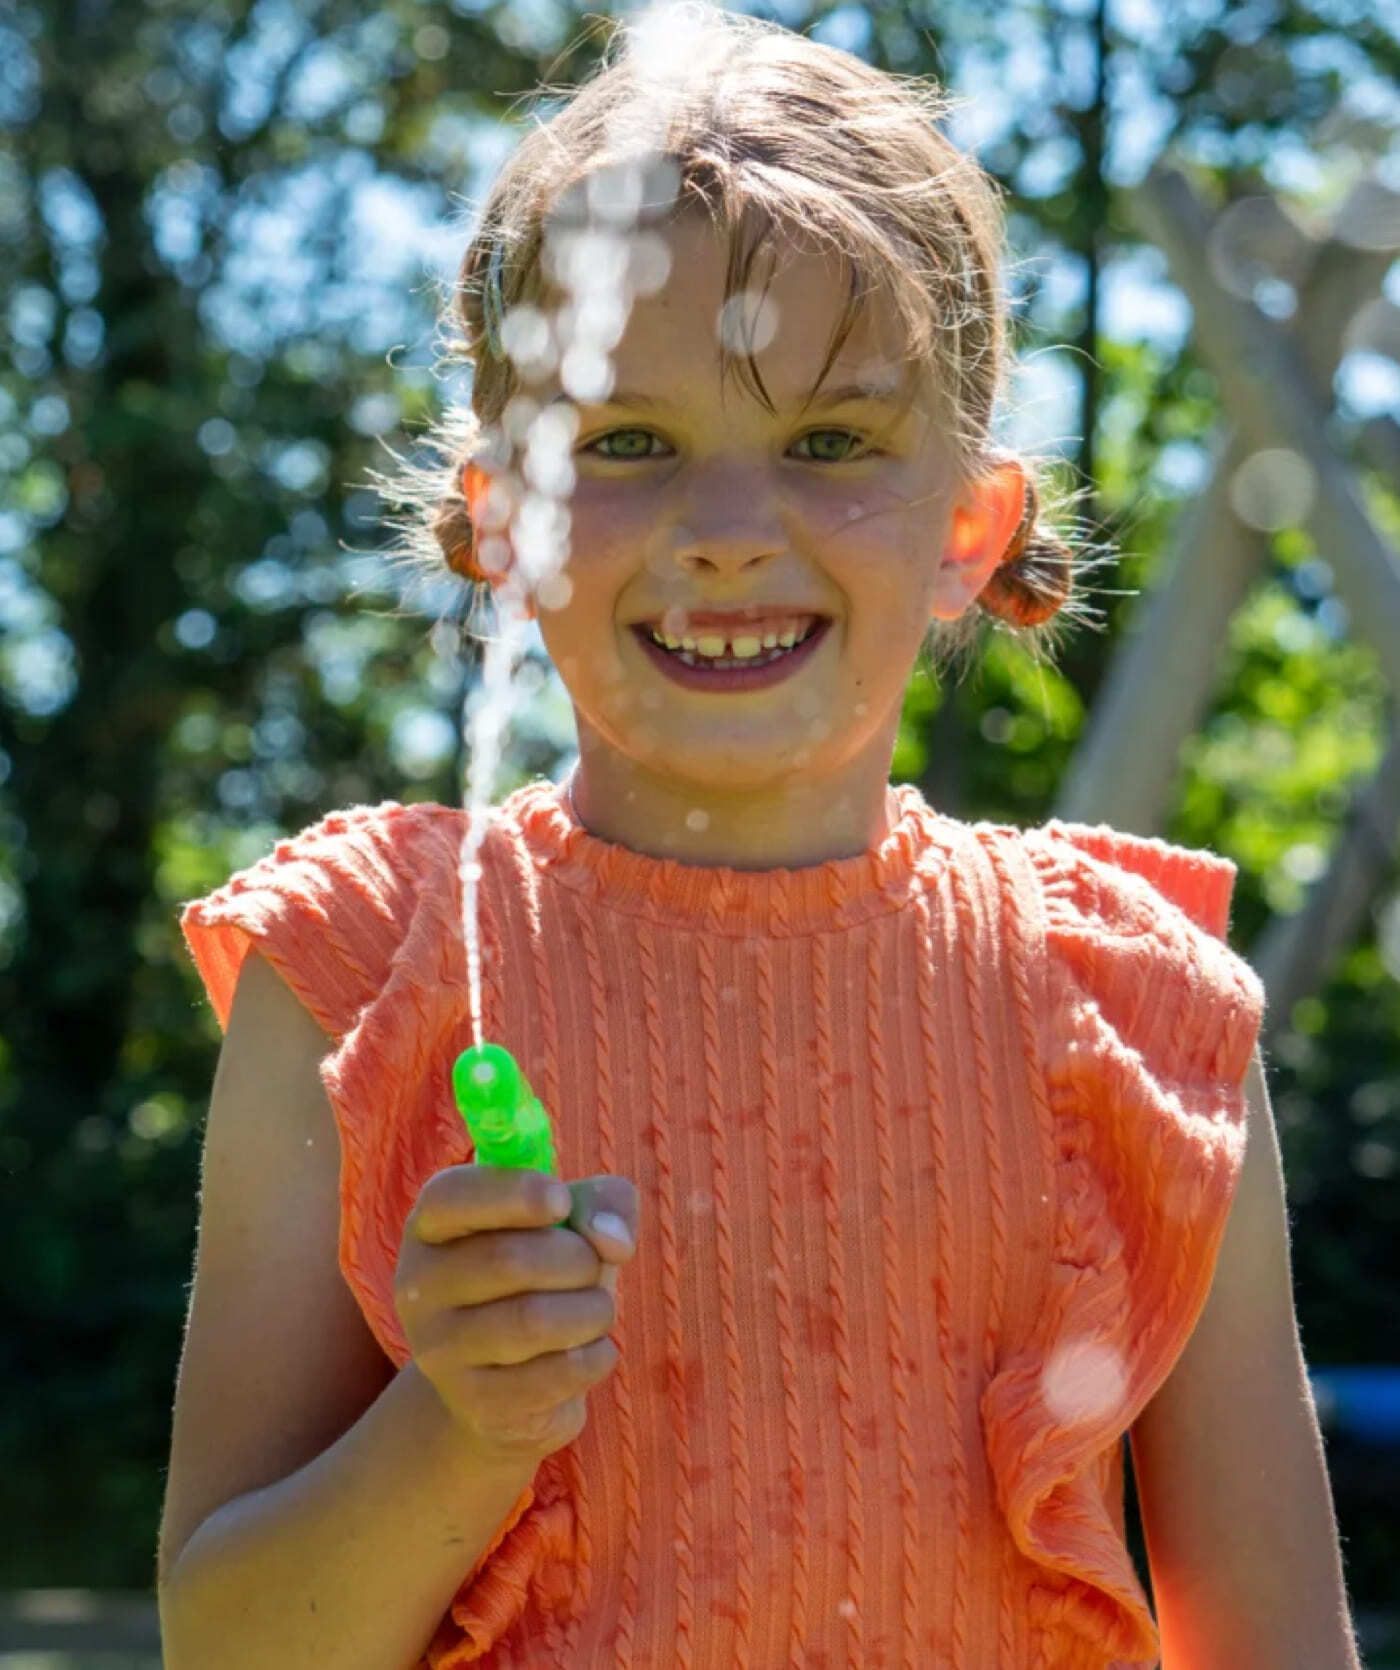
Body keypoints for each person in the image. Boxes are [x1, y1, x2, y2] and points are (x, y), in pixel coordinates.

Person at [157, 8, 1361, 1669]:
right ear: (497, 517)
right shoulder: (369, 971)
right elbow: (228, 1644)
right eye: (629, 444)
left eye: (829, 442)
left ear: (969, 525)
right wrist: (459, 1426)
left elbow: (1280, 1641)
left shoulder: (1134, 1004)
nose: (729, 532)